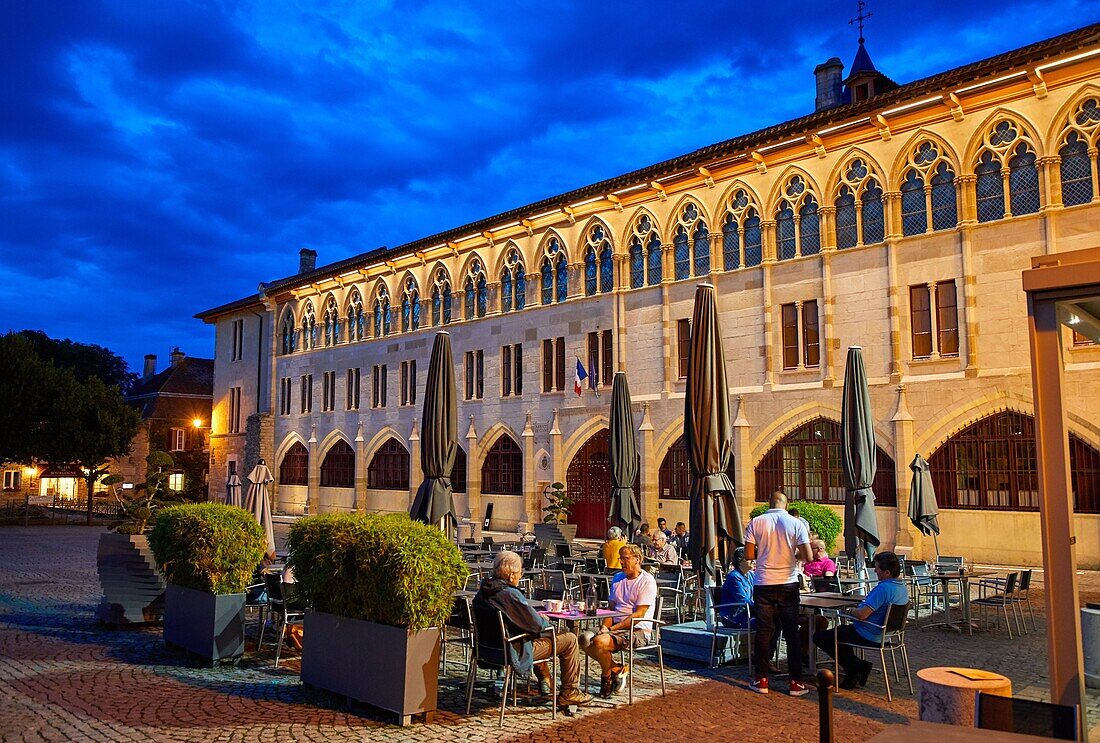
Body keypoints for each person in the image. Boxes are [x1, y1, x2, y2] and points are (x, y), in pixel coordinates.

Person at [473, 551, 592, 707]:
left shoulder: (483, 591)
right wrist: (543, 619)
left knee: (536, 635)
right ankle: (570, 692)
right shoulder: (509, 594)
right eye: (520, 571)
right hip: (513, 651)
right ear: (511, 575)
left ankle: (545, 679)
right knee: (569, 639)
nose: (521, 575)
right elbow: (537, 625)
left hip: (487, 649)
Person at [744, 490, 812, 696]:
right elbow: (808, 556)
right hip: (788, 582)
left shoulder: (756, 522)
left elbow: (748, 555)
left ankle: (761, 680)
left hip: (763, 581)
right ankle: (795, 682)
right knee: (791, 632)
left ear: (769, 503)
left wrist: (764, 552)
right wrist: (793, 554)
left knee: (764, 631)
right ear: (786, 503)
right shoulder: (796, 523)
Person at [813, 551, 909, 690]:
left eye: (877, 568)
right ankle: (854, 670)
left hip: (869, 632)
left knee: (821, 637)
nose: (875, 570)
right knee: (840, 633)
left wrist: (849, 611)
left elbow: (863, 615)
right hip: (887, 633)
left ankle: (857, 667)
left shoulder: (883, 588)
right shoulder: (901, 588)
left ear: (886, 572)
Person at [580, 544, 658, 699]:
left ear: (637, 559)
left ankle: (607, 679)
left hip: (638, 630)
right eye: (620, 558)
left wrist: (612, 629)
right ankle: (618, 670)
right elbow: (611, 609)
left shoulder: (647, 581)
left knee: (599, 642)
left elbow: (639, 614)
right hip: (614, 627)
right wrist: (604, 626)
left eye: (626, 558)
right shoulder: (617, 578)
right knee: (583, 638)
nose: (622, 562)